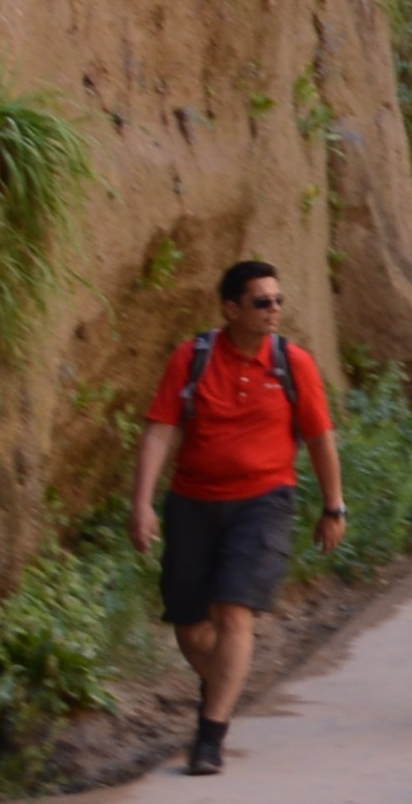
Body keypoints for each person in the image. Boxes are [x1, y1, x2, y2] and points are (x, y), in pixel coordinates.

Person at [127, 259, 340, 777]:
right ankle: (223, 682)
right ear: (231, 309)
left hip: (264, 501)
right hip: (192, 501)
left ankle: (210, 735)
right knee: (189, 626)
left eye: (278, 301)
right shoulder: (192, 358)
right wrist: (142, 501)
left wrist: (334, 505)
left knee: (233, 610)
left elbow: (318, 438)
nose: (274, 311)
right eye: (261, 302)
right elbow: (159, 430)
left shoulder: (293, 364)